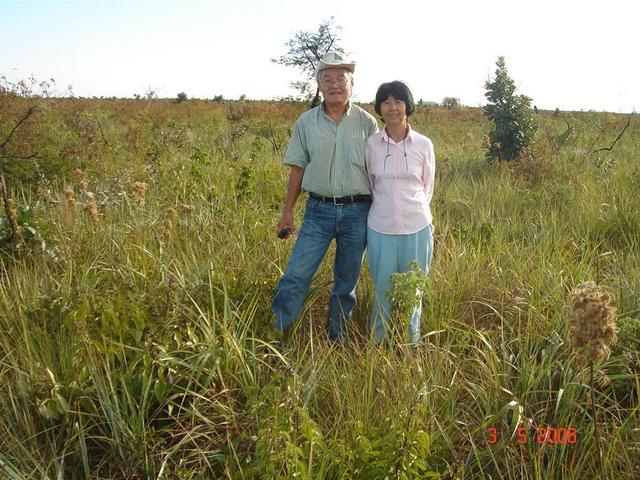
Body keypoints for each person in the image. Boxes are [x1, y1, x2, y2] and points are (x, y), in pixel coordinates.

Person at [271, 51, 378, 342]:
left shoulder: (367, 123)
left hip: (358, 212)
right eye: (327, 79)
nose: (334, 85)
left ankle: (337, 339)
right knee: (295, 275)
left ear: (351, 85)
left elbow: (377, 172)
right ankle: (277, 332)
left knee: (346, 284)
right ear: (319, 85)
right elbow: (297, 168)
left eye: (341, 79)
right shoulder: (306, 122)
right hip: (318, 211)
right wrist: (288, 211)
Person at [365, 81, 435, 345]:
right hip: (380, 228)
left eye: (398, 101)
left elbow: (428, 186)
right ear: (379, 108)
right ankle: (377, 343)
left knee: (413, 290)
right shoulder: (371, 144)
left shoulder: (424, 144)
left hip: (417, 228)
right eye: (386, 102)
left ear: (408, 106)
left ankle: (411, 345)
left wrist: (411, 211)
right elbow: (371, 185)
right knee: (382, 289)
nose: (392, 107)